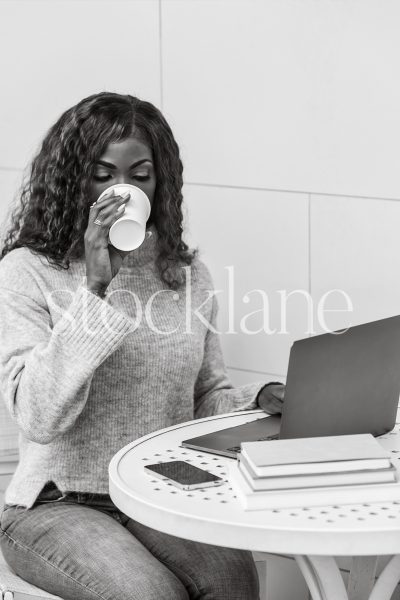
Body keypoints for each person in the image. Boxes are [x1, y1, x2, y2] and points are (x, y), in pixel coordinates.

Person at [0, 92, 284, 600]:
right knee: (150, 595)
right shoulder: (26, 271)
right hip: (58, 501)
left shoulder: (185, 273)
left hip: (163, 490)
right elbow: (38, 416)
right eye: (103, 174)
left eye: (140, 174)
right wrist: (94, 289)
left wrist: (258, 398)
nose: (123, 188)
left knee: (235, 583)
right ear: (73, 180)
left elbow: (203, 399)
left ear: (161, 181)